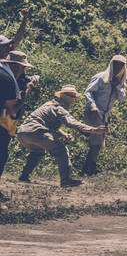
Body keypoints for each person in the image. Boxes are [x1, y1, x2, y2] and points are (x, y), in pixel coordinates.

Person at [16, 85, 107, 187]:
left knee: (37, 151)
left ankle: (24, 176)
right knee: (61, 150)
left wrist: (62, 134)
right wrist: (94, 129)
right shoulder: (60, 108)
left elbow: (47, 124)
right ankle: (66, 180)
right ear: (65, 97)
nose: (75, 99)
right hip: (36, 131)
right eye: (73, 96)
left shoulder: (49, 104)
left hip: (22, 132)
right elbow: (72, 123)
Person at [0, 51, 36, 205]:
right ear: (15, 66)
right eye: (22, 67)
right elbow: (13, 109)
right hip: (3, 120)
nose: (23, 71)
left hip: (5, 120)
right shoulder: (8, 80)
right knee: (1, 155)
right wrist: (27, 92)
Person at [81, 55, 127, 175]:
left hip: (104, 115)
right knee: (96, 143)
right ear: (111, 64)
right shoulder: (101, 77)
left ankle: (89, 167)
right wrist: (92, 106)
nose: (118, 67)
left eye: (121, 65)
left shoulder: (121, 82)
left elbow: (122, 98)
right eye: (116, 63)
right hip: (94, 112)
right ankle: (88, 169)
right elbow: (88, 92)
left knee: (99, 144)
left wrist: (116, 86)